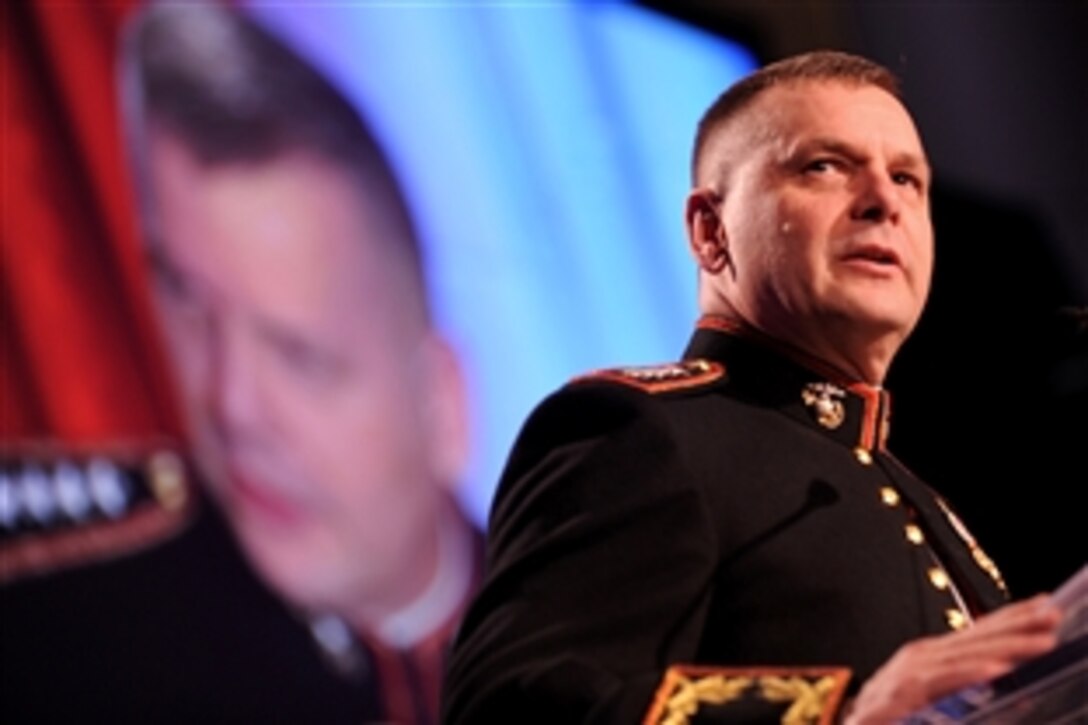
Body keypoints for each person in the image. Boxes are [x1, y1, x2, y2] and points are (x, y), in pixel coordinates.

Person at [442, 50, 1064, 724]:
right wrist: (839, 711)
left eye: (908, 179)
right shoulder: (640, 431)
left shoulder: (933, 510)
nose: (885, 201)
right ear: (711, 232)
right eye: (823, 166)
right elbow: (512, 701)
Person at [1, 5, 477, 723]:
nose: (233, 404)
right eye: (192, 308)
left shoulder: (630, 635)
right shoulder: (67, 634)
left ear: (444, 405)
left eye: (301, 355)